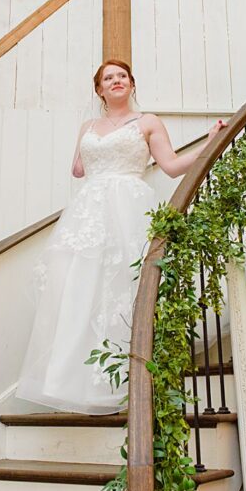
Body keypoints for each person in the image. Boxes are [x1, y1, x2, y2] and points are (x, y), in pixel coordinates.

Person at [15, 59, 225, 415]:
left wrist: (209, 143)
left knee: (124, 286)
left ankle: (126, 380)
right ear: (99, 90)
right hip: (88, 214)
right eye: (108, 78)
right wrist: (95, 154)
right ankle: (71, 380)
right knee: (79, 288)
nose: (116, 81)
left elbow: (171, 166)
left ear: (131, 85)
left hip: (129, 205)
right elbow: (78, 169)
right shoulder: (88, 125)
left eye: (122, 76)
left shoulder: (147, 122)